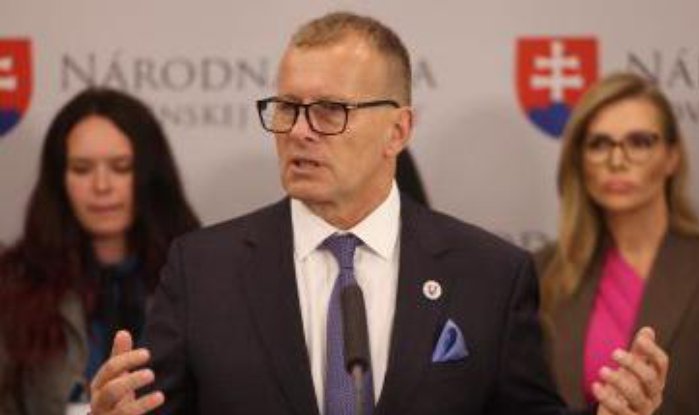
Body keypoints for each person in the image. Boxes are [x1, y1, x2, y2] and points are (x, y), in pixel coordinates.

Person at [90, 13, 668, 415]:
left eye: (330, 111)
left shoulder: (489, 274)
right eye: (287, 107)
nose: (299, 131)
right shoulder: (203, 269)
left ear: (398, 130)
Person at [536, 72, 699, 415]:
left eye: (640, 142)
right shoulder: (543, 272)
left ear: (672, 156)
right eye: (599, 144)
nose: (617, 160)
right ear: (578, 158)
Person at [0, 87, 200, 414]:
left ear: (150, 175)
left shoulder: (201, 276)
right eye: (82, 169)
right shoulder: (13, 284)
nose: (102, 186)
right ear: (59, 179)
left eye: (121, 167)